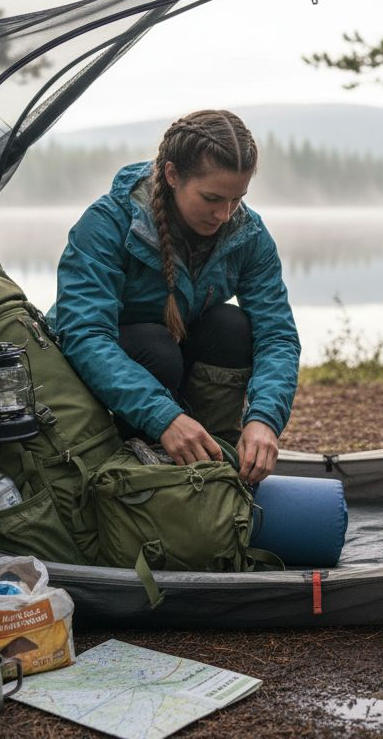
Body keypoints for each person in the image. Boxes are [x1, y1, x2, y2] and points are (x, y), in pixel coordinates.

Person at [52, 109, 299, 485]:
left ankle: (214, 455)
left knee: (231, 327)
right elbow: (84, 335)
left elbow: (277, 335)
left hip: (170, 366)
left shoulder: (247, 234)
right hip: (106, 374)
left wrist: (264, 418)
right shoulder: (107, 224)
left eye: (237, 198)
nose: (224, 213)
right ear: (171, 175)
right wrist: (162, 416)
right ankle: (143, 455)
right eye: (212, 197)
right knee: (156, 346)